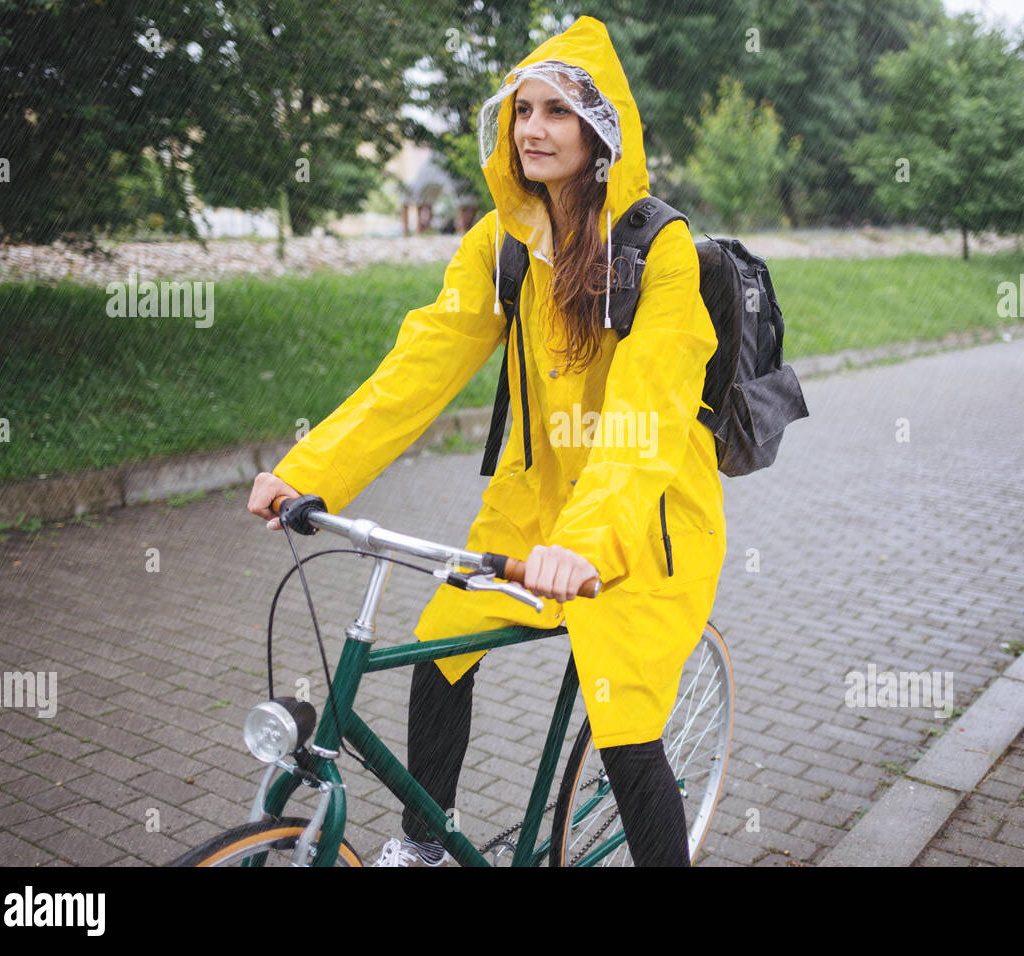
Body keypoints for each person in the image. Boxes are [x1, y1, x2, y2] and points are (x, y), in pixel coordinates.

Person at [247, 15, 726, 867]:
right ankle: (423, 843)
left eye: (558, 113)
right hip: (530, 513)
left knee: (622, 721)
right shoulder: (502, 246)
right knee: (441, 651)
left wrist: (584, 541)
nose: (533, 129)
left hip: (642, 524)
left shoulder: (663, 252)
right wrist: (304, 470)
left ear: (601, 130)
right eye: (522, 110)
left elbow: (645, 416)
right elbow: (419, 367)